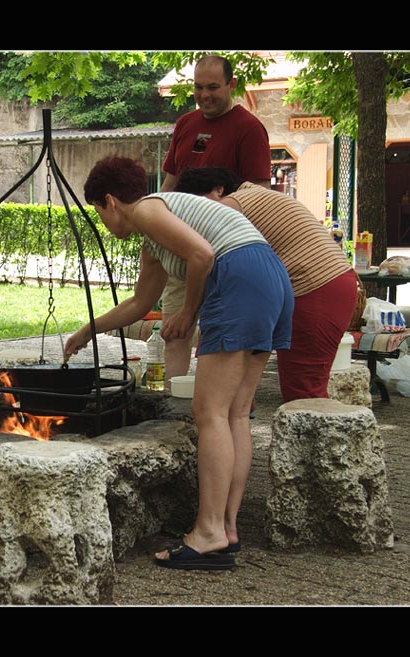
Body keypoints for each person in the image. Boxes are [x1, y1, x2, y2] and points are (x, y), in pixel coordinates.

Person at [64, 156, 294, 570]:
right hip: (269, 275)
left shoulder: (151, 208)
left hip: (238, 275)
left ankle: (207, 532)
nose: (104, 222)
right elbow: (140, 303)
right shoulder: (154, 237)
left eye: (99, 212)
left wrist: (188, 312)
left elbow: (203, 255)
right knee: (236, 413)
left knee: (208, 412)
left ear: (111, 202)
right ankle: (225, 528)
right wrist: (88, 330)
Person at [175, 167, 358, 402]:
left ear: (218, 190)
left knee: (303, 391)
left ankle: (313, 438)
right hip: (329, 283)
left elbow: (206, 258)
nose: (196, 215)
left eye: (196, 203)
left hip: (315, 286)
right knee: (248, 389)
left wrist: (188, 312)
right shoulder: (257, 195)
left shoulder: (231, 204)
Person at [158, 55, 272, 381]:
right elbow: (170, 183)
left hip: (225, 252)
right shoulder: (185, 124)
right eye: (198, 87)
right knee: (175, 329)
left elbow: (258, 194)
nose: (204, 95)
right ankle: (172, 402)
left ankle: (221, 408)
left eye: (212, 88)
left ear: (231, 85)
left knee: (220, 336)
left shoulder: (248, 128)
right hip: (180, 247)